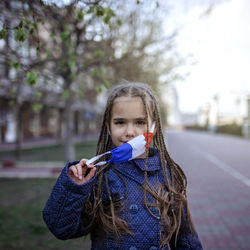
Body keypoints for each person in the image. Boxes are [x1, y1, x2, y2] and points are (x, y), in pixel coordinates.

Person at [43, 82, 203, 249]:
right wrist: (74, 188)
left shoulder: (168, 174)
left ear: (154, 127)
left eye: (140, 122)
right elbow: (61, 229)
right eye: (120, 122)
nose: (130, 132)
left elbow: (185, 236)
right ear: (108, 127)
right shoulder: (98, 175)